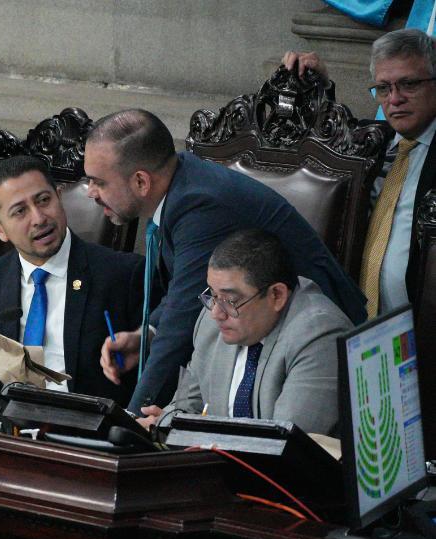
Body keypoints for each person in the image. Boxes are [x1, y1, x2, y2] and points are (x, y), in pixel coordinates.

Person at [85, 109, 366, 414]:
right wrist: (147, 334)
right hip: (258, 335)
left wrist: (128, 425)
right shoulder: (181, 183)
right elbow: (186, 286)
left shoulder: (198, 205)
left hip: (311, 353)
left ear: (141, 181)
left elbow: (180, 322)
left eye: (98, 182)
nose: (90, 192)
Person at [0, 155, 145, 403]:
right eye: (20, 211)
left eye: (43, 200)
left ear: (59, 197)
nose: (39, 218)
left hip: (86, 430)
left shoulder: (123, 275)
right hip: (7, 428)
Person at [284, 28, 436, 318]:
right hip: (355, 324)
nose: (395, 99)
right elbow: (320, 139)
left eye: (409, 84)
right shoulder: (370, 141)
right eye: (383, 88)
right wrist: (314, 85)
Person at [141, 229, 352, 435]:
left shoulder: (318, 335)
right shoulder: (210, 324)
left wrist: (191, 432)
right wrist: (165, 424)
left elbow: (286, 447)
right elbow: (186, 408)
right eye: (212, 295)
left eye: (230, 300)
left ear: (277, 295)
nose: (216, 313)